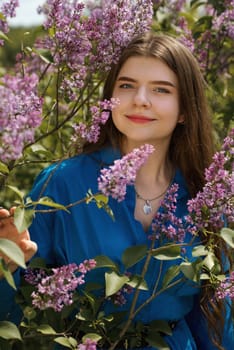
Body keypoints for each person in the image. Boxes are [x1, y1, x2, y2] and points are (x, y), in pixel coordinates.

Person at [0, 31, 233, 350]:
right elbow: (12, 308)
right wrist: (6, 265)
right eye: (126, 85)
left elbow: (215, 315)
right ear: (110, 99)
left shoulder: (204, 196)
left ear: (184, 110)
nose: (140, 99)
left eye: (161, 89)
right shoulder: (63, 182)